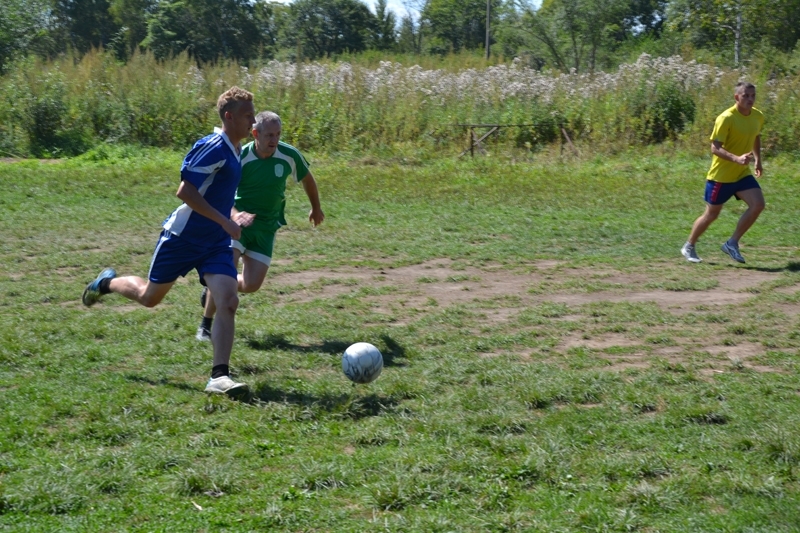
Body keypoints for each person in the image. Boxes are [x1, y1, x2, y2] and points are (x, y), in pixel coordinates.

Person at [82, 86, 256, 398]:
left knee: (228, 300)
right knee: (149, 297)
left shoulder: (236, 148)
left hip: (215, 243)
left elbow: (216, 193)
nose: (253, 121)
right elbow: (186, 192)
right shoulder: (213, 146)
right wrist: (225, 221)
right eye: (247, 116)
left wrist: (232, 214)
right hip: (183, 238)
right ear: (229, 117)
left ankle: (219, 376)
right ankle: (106, 284)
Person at [196, 111, 323, 341]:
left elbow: (307, 178)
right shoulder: (240, 158)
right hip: (237, 224)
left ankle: (214, 287)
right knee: (227, 271)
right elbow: (220, 195)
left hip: (266, 226)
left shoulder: (289, 155)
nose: (274, 140)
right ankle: (206, 325)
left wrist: (316, 207)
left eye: (278, 134)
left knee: (252, 284)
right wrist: (234, 216)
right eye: (269, 135)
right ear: (255, 133)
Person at [681, 82, 765, 264]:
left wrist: (758, 159)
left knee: (758, 204)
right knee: (712, 214)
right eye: (746, 96)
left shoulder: (757, 116)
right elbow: (715, 148)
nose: (750, 99)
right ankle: (689, 245)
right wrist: (736, 159)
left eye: (753, 96)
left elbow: (756, 136)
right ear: (737, 97)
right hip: (721, 176)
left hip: (742, 174)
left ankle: (732, 243)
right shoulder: (726, 118)